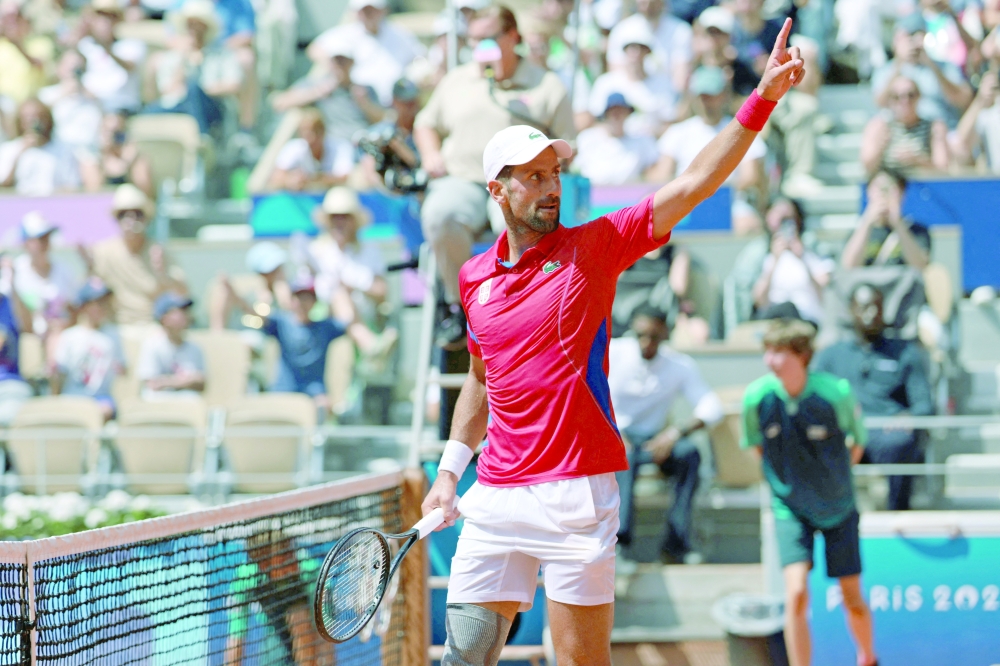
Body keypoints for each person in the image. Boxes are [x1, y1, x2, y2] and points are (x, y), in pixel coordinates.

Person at [420, 20, 804, 665]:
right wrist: (449, 474)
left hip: (576, 492)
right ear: (497, 190)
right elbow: (482, 380)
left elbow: (692, 185)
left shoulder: (595, 247)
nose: (550, 186)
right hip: (494, 494)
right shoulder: (473, 277)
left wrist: (760, 99)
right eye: (533, 176)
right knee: (463, 661)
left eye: (554, 173)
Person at [414, 4, 574, 348]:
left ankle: (521, 304)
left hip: (518, 184)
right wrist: (430, 154)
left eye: (489, 38)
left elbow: (568, 145)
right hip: (463, 178)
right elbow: (425, 123)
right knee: (440, 215)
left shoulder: (546, 85)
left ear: (513, 37)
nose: (480, 47)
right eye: (474, 40)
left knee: (520, 225)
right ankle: (459, 306)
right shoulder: (457, 80)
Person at [741, 319, 877, 666]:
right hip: (789, 508)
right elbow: (756, 447)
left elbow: (857, 444)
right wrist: (788, 481)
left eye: (779, 352)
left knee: (851, 596)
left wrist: (831, 479)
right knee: (797, 592)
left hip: (839, 507)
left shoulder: (836, 393)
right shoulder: (756, 398)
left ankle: (868, 657)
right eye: (767, 351)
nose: (770, 360)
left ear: (801, 355)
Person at [610, 306, 724, 563]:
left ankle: (676, 544)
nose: (646, 342)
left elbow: (711, 407)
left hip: (653, 441)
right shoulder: (614, 352)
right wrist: (613, 432)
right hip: (614, 436)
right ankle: (619, 546)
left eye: (653, 336)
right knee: (623, 457)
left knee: (689, 454)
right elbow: (587, 393)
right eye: (640, 335)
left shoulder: (678, 365)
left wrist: (674, 433)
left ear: (665, 334)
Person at [815, 284, 933, 510]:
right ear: (851, 311)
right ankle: (830, 514)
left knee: (901, 443)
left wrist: (909, 416)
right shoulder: (831, 355)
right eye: (863, 307)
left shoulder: (905, 352)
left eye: (876, 307)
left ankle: (897, 512)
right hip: (845, 431)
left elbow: (924, 404)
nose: (870, 314)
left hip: (887, 433)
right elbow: (813, 398)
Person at [649, 66, 767, 235]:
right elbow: (662, 175)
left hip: (730, 203)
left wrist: (713, 195)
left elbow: (751, 177)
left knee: (749, 225)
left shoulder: (743, 132)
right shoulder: (677, 133)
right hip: (684, 204)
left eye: (711, 96)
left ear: (723, 95)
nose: (706, 102)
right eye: (702, 96)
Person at [224, 275, 345, 422]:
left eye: (307, 298)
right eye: (299, 298)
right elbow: (254, 314)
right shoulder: (282, 323)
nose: (303, 303)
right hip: (284, 387)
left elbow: (349, 322)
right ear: (292, 301)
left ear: (314, 302)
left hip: (314, 389)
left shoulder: (326, 327)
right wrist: (235, 296)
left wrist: (340, 291)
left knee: (323, 406)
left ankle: (317, 437)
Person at [85, 184, 189, 326]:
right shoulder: (103, 252)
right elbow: (91, 292)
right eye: (123, 214)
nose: (130, 220)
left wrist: (163, 275)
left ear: (146, 219)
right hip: (116, 326)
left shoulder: (158, 252)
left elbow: (183, 294)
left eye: (137, 214)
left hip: (153, 325)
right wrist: (89, 268)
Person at [143, 0, 243, 134]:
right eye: (190, 24)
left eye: (197, 24)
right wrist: (185, 60)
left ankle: (202, 138)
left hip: (212, 108)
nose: (193, 29)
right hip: (180, 105)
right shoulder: (174, 56)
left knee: (194, 90)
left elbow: (234, 85)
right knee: (149, 112)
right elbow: (168, 90)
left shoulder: (221, 54)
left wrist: (204, 89)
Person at [307, 0, 425, 107]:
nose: (368, 14)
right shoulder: (347, 33)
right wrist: (336, 70)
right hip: (360, 103)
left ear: (383, 10)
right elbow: (315, 49)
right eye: (364, 10)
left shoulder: (398, 32)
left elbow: (419, 57)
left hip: (395, 101)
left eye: (372, 9)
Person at [271, 36, 383, 143]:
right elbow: (279, 103)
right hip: (334, 147)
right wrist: (317, 92)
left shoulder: (366, 89)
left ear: (352, 62)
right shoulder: (318, 85)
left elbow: (383, 120)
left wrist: (365, 104)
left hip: (363, 143)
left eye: (343, 60)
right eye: (336, 60)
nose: (339, 64)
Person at [871, 14, 972, 128]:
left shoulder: (945, 67)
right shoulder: (885, 70)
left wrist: (931, 65)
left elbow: (962, 99)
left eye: (917, 35)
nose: (912, 42)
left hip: (941, 129)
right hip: (901, 133)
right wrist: (900, 63)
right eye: (907, 36)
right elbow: (880, 103)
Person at [587, 21, 678, 136]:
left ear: (647, 51)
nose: (636, 53)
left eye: (641, 48)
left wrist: (650, 136)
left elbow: (669, 123)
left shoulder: (662, 84)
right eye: (632, 47)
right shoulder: (606, 83)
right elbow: (593, 121)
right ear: (624, 50)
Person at [51, 279, 124, 421]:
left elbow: (122, 369)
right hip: (72, 394)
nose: (103, 307)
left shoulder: (113, 335)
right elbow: (60, 373)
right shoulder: (70, 336)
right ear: (84, 307)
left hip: (100, 396)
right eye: (98, 303)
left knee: (105, 410)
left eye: (105, 302)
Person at [751, 205, 834, 325]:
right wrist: (775, 260)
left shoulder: (811, 255)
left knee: (790, 309)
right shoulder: (766, 257)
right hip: (776, 320)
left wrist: (802, 258)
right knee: (786, 309)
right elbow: (759, 301)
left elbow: (824, 293)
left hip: (806, 319)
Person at [13, 212, 77, 364]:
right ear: (26, 243)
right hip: (26, 339)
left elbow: (74, 310)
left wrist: (61, 325)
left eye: (47, 237)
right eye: (39, 238)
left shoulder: (64, 270)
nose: (44, 243)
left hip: (59, 338)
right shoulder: (15, 272)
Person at [840, 169, 931, 271]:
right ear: (868, 191)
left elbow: (920, 266)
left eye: (890, 189)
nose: (883, 194)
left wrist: (897, 223)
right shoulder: (857, 232)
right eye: (879, 188)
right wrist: (868, 220)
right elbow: (849, 266)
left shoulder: (917, 231)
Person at [861, 75, 949, 175]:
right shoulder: (878, 126)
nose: (905, 101)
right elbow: (867, 168)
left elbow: (943, 170)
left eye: (910, 95)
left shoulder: (934, 127)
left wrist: (917, 160)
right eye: (897, 97)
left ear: (919, 96)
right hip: (888, 181)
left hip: (924, 182)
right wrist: (880, 145)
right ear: (890, 100)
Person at [0, 98, 88, 196]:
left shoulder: (64, 150)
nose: (34, 121)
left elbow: (72, 186)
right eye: (28, 117)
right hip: (20, 203)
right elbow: (4, 185)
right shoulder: (8, 149)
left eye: (39, 116)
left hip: (53, 202)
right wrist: (21, 151)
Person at [72, 0, 147, 113]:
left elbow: (129, 66)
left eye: (110, 17)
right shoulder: (85, 45)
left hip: (121, 105)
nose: (105, 21)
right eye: (100, 16)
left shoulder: (132, 45)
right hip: (92, 105)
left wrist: (106, 47)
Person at [606, 0, 692, 95]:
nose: (646, 4)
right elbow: (617, 77)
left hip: (666, 98)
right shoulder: (621, 31)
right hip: (628, 98)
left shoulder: (681, 31)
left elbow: (680, 82)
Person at [575, 93, 659, 185]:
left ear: (627, 113)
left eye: (620, 111)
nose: (617, 116)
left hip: (628, 192)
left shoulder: (641, 142)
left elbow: (653, 173)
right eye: (613, 112)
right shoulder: (587, 139)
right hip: (593, 191)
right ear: (606, 114)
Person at [136, 292, 206, 400]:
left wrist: (166, 382)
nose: (186, 315)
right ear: (164, 318)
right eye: (180, 311)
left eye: (186, 311)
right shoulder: (152, 345)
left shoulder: (195, 348)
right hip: (158, 402)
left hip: (186, 402)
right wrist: (186, 381)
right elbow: (151, 383)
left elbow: (201, 382)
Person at [209, 240, 292, 330]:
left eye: (278, 269)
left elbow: (290, 318)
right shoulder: (252, 291)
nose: (276, 274)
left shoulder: (291, 288)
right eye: (271, 271)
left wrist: (282, 291)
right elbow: (261, 319)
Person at [269, 106, 355, 191]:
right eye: (305, 133)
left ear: (323, 131)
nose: (310, 138)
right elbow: (276, 177)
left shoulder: (341, 147)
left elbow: (344, 177)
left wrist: (310, 180)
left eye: (314, 132)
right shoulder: (294, 147)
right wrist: (290, 180)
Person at [37, 49, 104, 153]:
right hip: (58, 149)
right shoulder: (46, 94)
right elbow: (40, 119)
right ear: (59, 67)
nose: (73, 69)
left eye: (78, 66)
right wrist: (63, 95)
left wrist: (85, 92)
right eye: (69, 65)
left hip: (87, 150)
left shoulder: (94, 96)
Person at [80, 111, 155, 196]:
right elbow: (93, 192)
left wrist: (127, 160)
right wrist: (104, 159)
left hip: (130, 201)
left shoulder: (134, 158)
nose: (109, 136)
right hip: (104, 200)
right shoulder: (92, 157)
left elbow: (145, 191)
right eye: (106, 131)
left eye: (115, 132)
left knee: (141, 164)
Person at [0, 256, 34, 426]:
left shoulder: (9, 304)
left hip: (9, 385)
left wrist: (12, 283)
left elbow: (29, 327)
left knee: (6, 418)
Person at [0, 0, 54, 104]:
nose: (13, 25)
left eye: (17, 20)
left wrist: (18, 45)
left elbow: (37, 64)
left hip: (31, 102)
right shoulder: (2, 46)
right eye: (9, 21)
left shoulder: (41, 43)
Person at [953, 69, 1000, 171]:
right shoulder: (986, 116)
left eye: (996, 87)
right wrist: (980, 100)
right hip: (995, 177)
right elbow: (961, 141)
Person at [730, 0, 783, 79]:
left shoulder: (775, 29)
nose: (747, 5)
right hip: (741, 81)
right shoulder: (728, 30)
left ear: (762, 2)